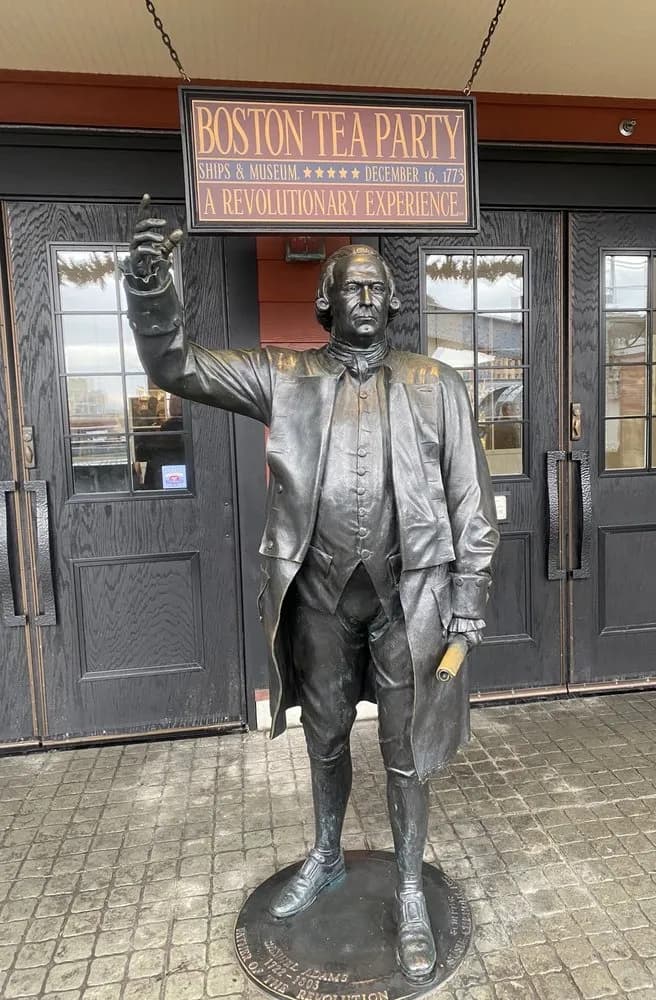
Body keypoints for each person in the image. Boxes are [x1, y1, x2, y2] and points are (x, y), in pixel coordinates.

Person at [123, 197, 499, 985]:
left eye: (376, 287)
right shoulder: (283, 376)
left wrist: (470, 598)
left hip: (411, 601)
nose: (364, 297)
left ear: (393, 302)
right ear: (324, 303)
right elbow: (175, 365)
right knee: (324, 739)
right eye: (349, 287)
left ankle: (406, 890)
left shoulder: (438, 383)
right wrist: (152, 286)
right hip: (320, 598)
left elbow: (472, 501)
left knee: (406, 752)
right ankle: (326, 854)